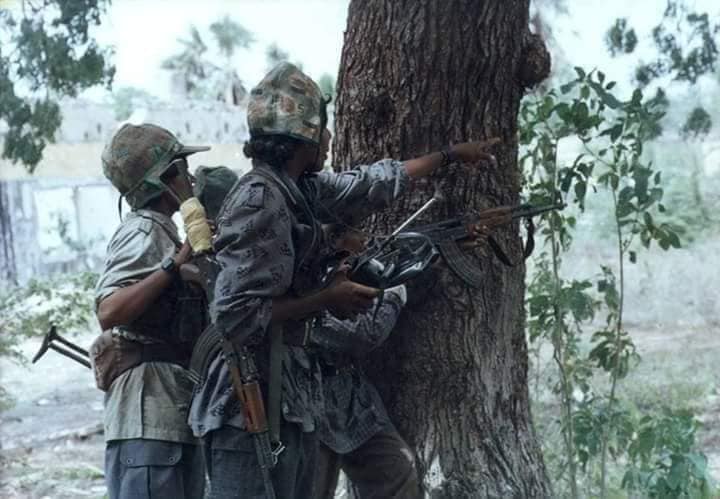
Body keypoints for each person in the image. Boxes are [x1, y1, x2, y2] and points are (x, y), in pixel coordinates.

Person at [188, 62, 499, 499]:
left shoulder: (298, 191)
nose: (331, 139)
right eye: (324, 128)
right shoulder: (261, 198)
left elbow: (366, 184)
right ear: (305, 137)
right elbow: (234, 317)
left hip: (286, 398)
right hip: (247, 406)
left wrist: (447, 157)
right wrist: (326, 299)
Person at [93, 123, 210, 499]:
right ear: (164, 180)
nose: (190, 178)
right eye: (181, 168)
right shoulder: (143, 232)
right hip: (146, 420)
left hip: (170, 416)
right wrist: (173, 266)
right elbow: (109, 310)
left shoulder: (163, 233)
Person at [312, 226, 419, 499]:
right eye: (354, 229)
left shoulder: (345, 269)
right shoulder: (303, 279)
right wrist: (393, 291)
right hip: (306, 402)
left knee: (397, 472)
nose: (366, 239)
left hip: (353, 402)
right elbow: (363, 335)